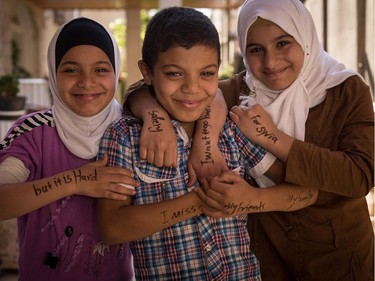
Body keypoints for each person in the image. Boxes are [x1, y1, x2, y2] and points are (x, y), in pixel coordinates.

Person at [125, 0, 374, 280]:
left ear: (304, 37)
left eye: (283, 43)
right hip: (267, 259)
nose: (270, 62)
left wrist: (272, 140)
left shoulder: (346, 90)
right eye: (256, 50)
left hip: (339, 260)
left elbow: (360, 176)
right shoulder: (241, 91)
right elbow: (149, 86)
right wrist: (156, 118)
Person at [96, 6, 318, 281]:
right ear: (147, 72)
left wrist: (251, 200)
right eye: (175, 74)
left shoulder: (232, 131)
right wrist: (199, 202)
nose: (192, 88)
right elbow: (112, 227)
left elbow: (307, 192)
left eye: (206, 74)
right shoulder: (124, 138)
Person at [0, 17, 137, 280]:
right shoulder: (33, 133)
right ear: (52, 72)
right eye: (71, 70)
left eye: (100, 70)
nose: (87, 82)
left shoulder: (132, 130)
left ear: (116, 72)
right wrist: (76, 180)